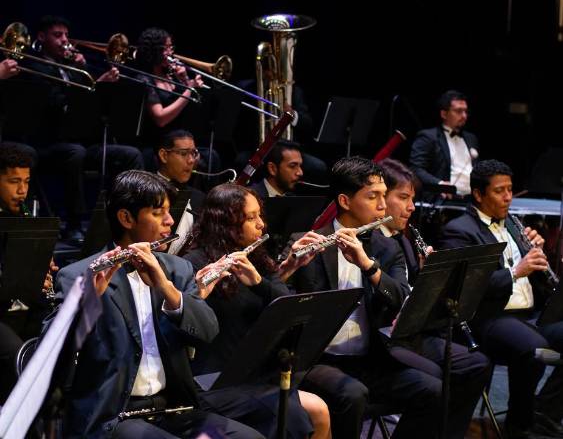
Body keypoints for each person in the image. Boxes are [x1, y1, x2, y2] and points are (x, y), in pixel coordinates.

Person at [281, 156, 490, 439]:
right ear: (345, 201)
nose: (382, 205)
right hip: (319, 359)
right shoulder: (306, 242)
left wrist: (370, 267)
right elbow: (280, 302)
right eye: (373, 196)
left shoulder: (387, 248)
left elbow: (402, 298)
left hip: (369, 358)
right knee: (352, 395)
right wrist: (288, 269)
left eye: (383, 195)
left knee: (433, 390)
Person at [47, 170, 263, 438]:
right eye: (158, 213)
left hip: (174, 409)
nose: (170, 221)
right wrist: (86, 304)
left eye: (169, 212)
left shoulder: (176, 269)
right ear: (126, 218)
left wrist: (166, 288)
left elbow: (208, 331)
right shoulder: (80, 276)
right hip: (114, 416)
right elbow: (51, 355)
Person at [181, 183, 331, 439]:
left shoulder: (258, 258)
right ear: (225, 223)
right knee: (293, 415)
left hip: (254, 374)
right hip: (214, 380)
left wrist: (259, 283)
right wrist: (199, 293)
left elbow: (286, 304)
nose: (261, 224)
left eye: (259, 215)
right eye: (251, 218)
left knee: (318, 411)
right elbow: (187, 328)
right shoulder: (194, 263)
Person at [440, 159, 563, 438]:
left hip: (529, 316)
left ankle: (544, 413)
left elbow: (535, 278)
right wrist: (517, 271)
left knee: (541, 343)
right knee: (534, 350)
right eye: (499, 191)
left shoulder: (514, 224)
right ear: (478, 194)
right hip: (488, 318)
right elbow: (467, 286)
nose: (508, 197)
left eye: (510, 189)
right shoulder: (460, 230)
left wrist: (538, 254)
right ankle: (519, 427)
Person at [22, 15, 144, 243]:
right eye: (57, 35)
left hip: (81, 141)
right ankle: (75, 223)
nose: (65, 40)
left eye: (66, 35)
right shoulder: (33, 66)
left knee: (131, 154)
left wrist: (85, 71)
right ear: (41, 37)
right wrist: (97, 85)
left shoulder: (74, 67)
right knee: (75, 153)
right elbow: (57, 105)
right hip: (48, 143)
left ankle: (128, 219)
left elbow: (92, 109)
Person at [0, 144, 57, 403]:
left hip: (19, 304)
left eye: (26, 181)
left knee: (58, 345)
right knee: (20, 360)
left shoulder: (24, 217)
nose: (22, 190)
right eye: (14, 182)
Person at [135, 27, 221, 173]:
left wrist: (185, 80)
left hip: (180, 141)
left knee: (212, 156)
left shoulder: (172, 76)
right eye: (166, 48)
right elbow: (160, 118)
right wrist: (189, 89)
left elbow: (193, 109)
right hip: (160, 144)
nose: (171, 53)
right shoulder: (145, 79)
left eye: (171, 47)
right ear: (154, 51)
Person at [409, 89, 479, 198]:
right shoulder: (428, 137)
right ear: (444, 114)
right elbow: (416, 169)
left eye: (466, 111)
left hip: (471, 200)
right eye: (459, 111)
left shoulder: (471, 138)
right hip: (443, 200)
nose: (464, 116)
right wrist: (440, 184)